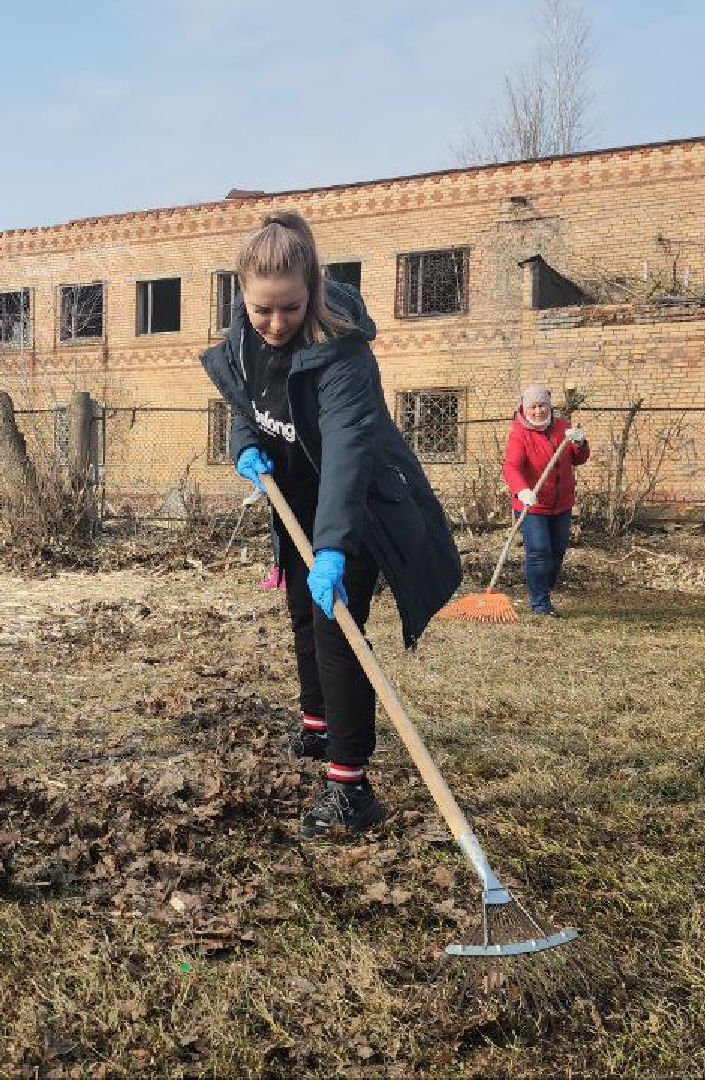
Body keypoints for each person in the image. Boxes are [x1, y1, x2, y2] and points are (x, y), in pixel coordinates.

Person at [201, 210, 463, 838]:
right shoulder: (245, 336)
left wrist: (335, 549)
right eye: (261, 309)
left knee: (336, 627)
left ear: (312, 287)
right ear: (242, 294)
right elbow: (245, 399)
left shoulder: (342, 350)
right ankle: (318, 727)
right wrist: (243, 443)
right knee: (300, 612)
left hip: (354, 507)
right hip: (292, 497)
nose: (274, 323)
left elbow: (348, 453)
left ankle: (351, 784)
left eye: (288, 308)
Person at [501, 384, 590, 616]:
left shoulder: (562, 427)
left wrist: (580, 443)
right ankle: (540, 602)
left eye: (542, 405)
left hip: (561, 504)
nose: (538, 411)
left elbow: (578, 459)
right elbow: (511, 466)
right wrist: (521, 490)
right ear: (525, 408)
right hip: (532, 504)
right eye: (533, 407)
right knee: (539, 550)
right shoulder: (519, 434)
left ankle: (543, 588)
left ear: (549, 406)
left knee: (557, 551)